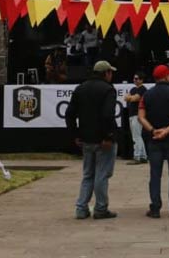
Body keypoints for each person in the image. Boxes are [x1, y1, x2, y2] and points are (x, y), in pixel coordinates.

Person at [64, 60, 119, 220]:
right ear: (106, 73)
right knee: (102, 175)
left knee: (88, 174)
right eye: (110, 72)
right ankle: (101, 208)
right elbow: (108, 114)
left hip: (86, 138)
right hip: (102, 139)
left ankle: (81, 208)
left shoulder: (80, 88)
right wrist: (108, 136)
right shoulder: (108, 90)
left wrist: (75, 134)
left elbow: (69, 114)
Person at [138, 64, 169, 218]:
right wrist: (168, 130)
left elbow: (141, 117)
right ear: (166, 77)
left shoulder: (147, 95)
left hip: (154, 140)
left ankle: (155, 208)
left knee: (155, 175)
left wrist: (153, 130)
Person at [125, 72, 148, 165]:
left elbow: (135, 98)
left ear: (141, 80)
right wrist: (131, 97)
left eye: (137, 78)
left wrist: (130, 97)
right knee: (138, 135)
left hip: (137, 114)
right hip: (132, 114)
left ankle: (137, 156)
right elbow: (126, 97)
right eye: (134, 78)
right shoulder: (133, 89)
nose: (135, 80)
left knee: (136, 136)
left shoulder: (143, 89)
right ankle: (143, 156)